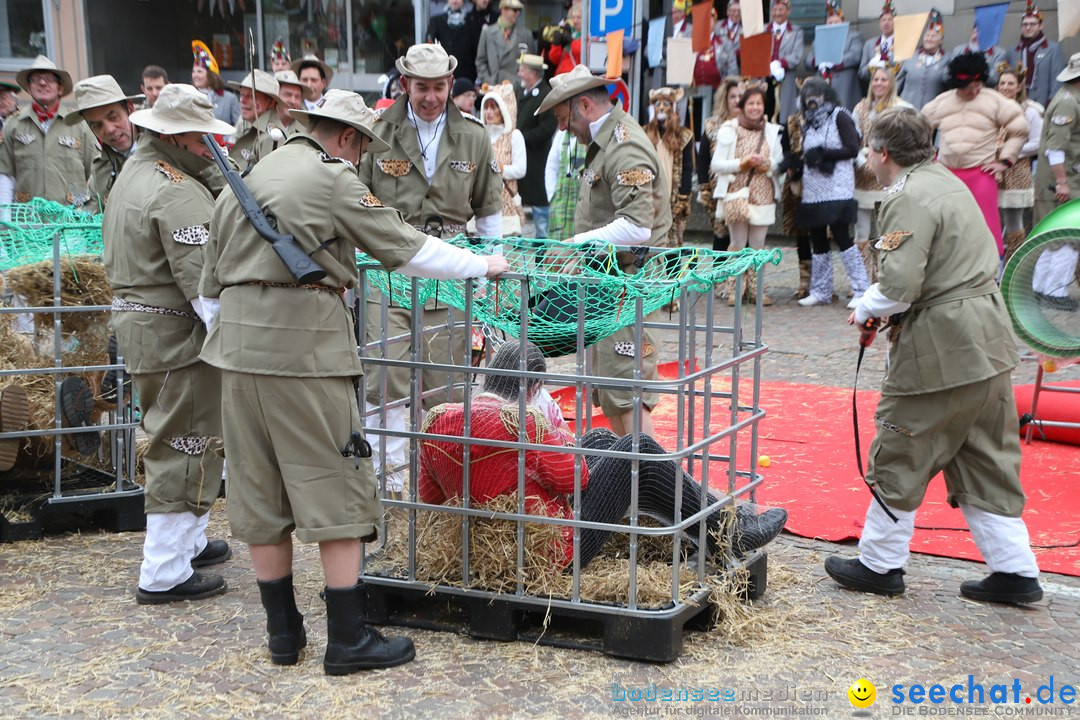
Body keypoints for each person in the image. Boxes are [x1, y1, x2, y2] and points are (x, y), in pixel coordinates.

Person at [199, 89, 507, 674]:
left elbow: (208, 286)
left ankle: (282, 634)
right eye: (362, 143)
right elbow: (405, 248)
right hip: (304, 349)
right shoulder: (333, 178)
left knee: (259, 490)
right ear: (347, 138)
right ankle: (348, 636)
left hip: (236, 351)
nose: (362, 153)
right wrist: (481, 264)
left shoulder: (248, 177)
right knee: (337, 480)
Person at [825, 106, 1042, 605]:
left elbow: (899, 285)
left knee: (901, 447)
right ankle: (1015, 571)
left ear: (882, 153)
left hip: (941, 347)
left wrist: (865, 308)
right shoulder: (946, 180)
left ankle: (879, 564)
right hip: (987, 340)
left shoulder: (906, 196)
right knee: (985, 458)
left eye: (869, 150)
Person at [418, 341, 789, 569]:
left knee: (597, 436)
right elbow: (573, 478)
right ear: (533, 385)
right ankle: (725, 529)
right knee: (636, 448)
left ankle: (722, 517)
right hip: (548, 548)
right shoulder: (523, 422)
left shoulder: (437, 420)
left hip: (487, 544)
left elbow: (430, 496)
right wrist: (557, 433)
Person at [101, 84, 235, 605]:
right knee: (185, 441)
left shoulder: (134, 173)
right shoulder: (177, 189)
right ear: (175, 135)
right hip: (177, 335)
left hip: (146, 330)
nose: (209, 145)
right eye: (201, 136)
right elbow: (205, 288)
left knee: (178, 433)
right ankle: (164, 570)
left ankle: (189, 544)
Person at [358, 44, 502, 491]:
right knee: (385, 375)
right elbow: (352, 198)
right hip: (388, 269)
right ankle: (390, 483)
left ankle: (442, 482)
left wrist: (493, 269)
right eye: (422, 88)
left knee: (448, 382)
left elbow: (490, 211)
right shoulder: (377, 130)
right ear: (405, 85)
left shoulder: (475, 136)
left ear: (450, 85)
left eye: (440, 87)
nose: (432, 98)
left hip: (451, 272)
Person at [536, 64, 671, 437]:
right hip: (610, 288)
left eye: (563, 118)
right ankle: (630, 486)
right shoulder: (604, 143)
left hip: (628, 288)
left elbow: (637, 226)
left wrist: (573, 246)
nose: (562, 128)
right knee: (613, 392)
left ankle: (648, 489)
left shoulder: (623, 144)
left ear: (583, 105)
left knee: (628, 392)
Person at [922, 52, 1027, 257]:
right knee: (948, 228)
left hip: (981, 173)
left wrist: (1005, 160)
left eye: (979, 84)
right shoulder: (940, 103)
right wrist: (929, 159)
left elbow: (1019, 129)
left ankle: (992, 277)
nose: (975, 90)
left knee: (987, 227)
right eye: (970, 86)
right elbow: (918, 131)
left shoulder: (995, 101)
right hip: (947, 175)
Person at [795, 78, 869, 309]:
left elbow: (852, 149)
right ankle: (821, 290)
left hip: (837, 186)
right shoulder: (806, 122)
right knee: (817, 238)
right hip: (813, 187)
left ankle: (861, 288)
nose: (812, 100)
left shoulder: (840, 115)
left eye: (816, 95)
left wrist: (823, 154)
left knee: (841, 236)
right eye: (807, 96)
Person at [710, 86, 782, 306]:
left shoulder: (771, 131)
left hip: (763, 192)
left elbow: (779, 162)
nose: (755, 108)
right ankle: (736, 288)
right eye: (751, 103)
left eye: (759, 103)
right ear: (743, 106)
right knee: (738, 243)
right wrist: (742, 163)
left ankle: (756, 289)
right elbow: (716, 164)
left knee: (758, 245)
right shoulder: (729, 130)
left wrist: (766, 164)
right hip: (737, 193)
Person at [0, 56, 97, 207]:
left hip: (71, 222)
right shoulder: (13, 125)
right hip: (28, 222)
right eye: (36, 79)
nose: (43, 83)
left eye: (49, 79)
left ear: (60, 88)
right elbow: (6, 176)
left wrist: (85, 212)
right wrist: (5, 220)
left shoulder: (80, 124)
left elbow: (95, 173)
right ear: (29, 87)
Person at [1030, 53, 1080, 311]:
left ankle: (1042, 288)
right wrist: (1061, 182)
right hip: (1062, 182)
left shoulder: (1070, 98)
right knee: (1068, 237)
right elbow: (1055, 148)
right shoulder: (1068, 103)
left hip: (1067, 180)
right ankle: (1054, 291)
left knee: (1055, 237)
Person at [852, 64, 910, 281]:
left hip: (888, 173)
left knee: (886, 228)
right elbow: (852, 138)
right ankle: (862, 279)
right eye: (876, 80)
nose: (879, 84)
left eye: (884, 80)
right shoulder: (861, 108)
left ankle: (884, 276)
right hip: (864, 175)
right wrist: (860, 159)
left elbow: (907, 139)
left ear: (891, 83)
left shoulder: (900, 108)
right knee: (861, 231)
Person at [63, 75, 144, 213]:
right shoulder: (101, 170)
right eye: (97, 125)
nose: (109, 129)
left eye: (113, 117)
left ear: (130, 109)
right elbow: (91, 214)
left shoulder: (164, 150)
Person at [995, 63, 1043, 262]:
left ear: (1019, 86)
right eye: (1002, 83)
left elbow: (1037, 143)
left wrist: (1009, 151)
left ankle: (1012, 266)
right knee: (990, 220)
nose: (1005, 87)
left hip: (1016, 171)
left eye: (1010, 83)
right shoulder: (992, 108)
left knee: (1013, 222)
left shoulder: (1030, 111)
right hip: (990, 171)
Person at [698, 77, 743, 259]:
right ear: (725, 99)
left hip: (743, 190)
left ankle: (742, 284)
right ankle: (719, 283)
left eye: (740, 96)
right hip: (719, 192)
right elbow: (703, 159)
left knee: (742, 241)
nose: (736, 100)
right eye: (732, 96)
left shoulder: (751, 124)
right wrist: (704, 188)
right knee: (721, 238)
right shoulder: (712, 125)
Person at [645, 87, 693, 248]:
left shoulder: (684, 136)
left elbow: (687, 168)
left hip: (672, 197)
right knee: (648, 242)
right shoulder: (644, 133)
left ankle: (673, 274)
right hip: (649, 196)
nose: (661, 107)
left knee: (672, 245)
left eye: (666, 103)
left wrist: (684, 196)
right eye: (657, 103)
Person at [516, 53, 556, 239]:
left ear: (533, 73)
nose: (519, 73)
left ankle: (542, 242)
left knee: (540, 202)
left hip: (537, 157)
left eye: (523, 70)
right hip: (525, 156)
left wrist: (521, 137)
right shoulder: (523, 92)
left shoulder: (545, 95)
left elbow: (546, 129)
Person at [481, 83, 527, 236]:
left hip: (505, 205)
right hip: (481, 204)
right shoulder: (481, 134)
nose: (489, 112)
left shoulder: (514, 135)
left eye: (494, 107)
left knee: (506, 255)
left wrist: (501, 169)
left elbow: (521, 169)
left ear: (504, 109)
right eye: (486, 107)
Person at [804, 0, 862, 111]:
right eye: (830, 22)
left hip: (844, 88)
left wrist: (835, 61)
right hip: (822, 88)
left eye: (836, 22)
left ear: (843, 22)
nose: (833, 25)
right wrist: (818, 61)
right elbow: (808, 60)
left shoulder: (854, 36)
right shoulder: (820, 39)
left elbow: (855, 55)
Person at [1009, 0, 1064, 109]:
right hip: (1016, 105)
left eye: (1032, 24)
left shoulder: (1053, 49)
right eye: (1025, 24)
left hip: (1043, 104)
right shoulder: (1013, 51)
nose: (1028, 28)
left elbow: (1057, 81)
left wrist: (1052, 105)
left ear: (1040, 26)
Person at [227, 69, 282, 171]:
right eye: (242, 94)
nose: (243, 100)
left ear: (271, 103)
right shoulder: (249, 125)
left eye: (251, 95)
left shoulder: (272, 137)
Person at [476, 0, 535, 87]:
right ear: (503, 10)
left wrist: (520, 83)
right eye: (514, 10)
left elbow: (531, 63)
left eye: (519, 10)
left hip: (516, 88)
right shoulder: (487, 32)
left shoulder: (526, 34)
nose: (518, 13)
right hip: (495, 87)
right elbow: (480, 61)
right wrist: (489, 80)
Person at [764, 0, 804, 125]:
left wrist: (781, 63)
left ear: (788, 11)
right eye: (775, 10)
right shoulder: (763, 29)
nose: (777, 13)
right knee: (766, 110)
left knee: (785, 115)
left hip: (786, 78)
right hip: (765, 78)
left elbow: (797, 55)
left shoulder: (796, 31)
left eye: (781, 10)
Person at [898, 10, 946, 111]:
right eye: (927, 35)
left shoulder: (947, 59)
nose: (929, 38)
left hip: (932, 113)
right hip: (906, 111)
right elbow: (898, 83)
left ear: (941, 40)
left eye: (934, 36)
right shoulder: (910, 57)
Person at [428, 0, 479, 86]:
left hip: (467, 78)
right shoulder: (436, 21)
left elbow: (477, 53)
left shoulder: (473, 21)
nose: (455, 1)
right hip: (443, 76)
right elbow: (429, 50)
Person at [192, 40, 240, 125]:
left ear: (211, 75)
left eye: (199, 71)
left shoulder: (230, 98)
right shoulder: (189, 96)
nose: (195, 75)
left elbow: (238, 127)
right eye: (193, 71)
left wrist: (227, 138)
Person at [859, 0, 895, 84]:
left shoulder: (902, 43)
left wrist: (888, 60)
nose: (886, 23)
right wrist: (870, 67)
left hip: (894, 89)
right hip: (874, 88)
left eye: (890, 20)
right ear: (879, 24)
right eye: (883, 20)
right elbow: (861, 73)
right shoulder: (869, 44)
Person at [543, 1, 581, 77]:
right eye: (573, 17)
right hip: (561, 76)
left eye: (579, 17)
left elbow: (580, 52)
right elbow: (554, 59)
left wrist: (571, 41)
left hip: (575, 77)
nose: (575, 21)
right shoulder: (567, 32)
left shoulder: (587, 35)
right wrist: (556, 44)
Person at [273, 70, 312, 141]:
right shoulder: (260, 125)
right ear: (275, 96)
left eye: (297, 96)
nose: (293, 101)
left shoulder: (307, 132)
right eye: (288, 95)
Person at [715, 0, 742, 80]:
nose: (736, 14)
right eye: (733, 11)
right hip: (718, 71)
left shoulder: (746, 29)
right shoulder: (717, 26)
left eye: (739, 11)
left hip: (738, 71)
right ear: (727, 12)